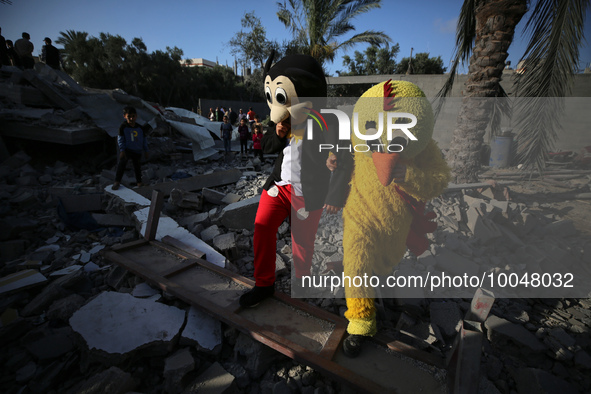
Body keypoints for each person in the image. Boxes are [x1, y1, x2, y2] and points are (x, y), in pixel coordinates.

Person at [238, 53, 353, 307]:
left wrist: (335, 194)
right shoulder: (281, 118)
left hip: (308, 192)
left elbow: (344, 158)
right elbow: (267, 146)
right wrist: (278, 134)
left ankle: (302, 283)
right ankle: (264, 284)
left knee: (302, 242)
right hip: (279, 187)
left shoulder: (327, 120)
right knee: (262, 227)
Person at [113, 106, 149, 190]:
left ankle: (139, 183)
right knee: (121, 165)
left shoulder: (140, 128)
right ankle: (117, 182)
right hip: (127, 150)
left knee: (137, 167)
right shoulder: (123, 127)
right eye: (129, 116)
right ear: (125, 116)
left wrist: (146, 150)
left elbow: (144, 140)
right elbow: (120, 139)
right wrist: (122, 150)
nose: (131, 118)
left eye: (133, 116)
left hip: (137, 150)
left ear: (136, 116)